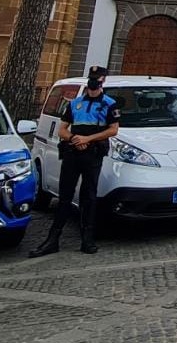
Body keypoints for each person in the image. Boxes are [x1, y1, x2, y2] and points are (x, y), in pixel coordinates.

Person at [29, 66, 119, 257]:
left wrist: (88, 139)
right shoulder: (75, 103)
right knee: (64, 196)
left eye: (98, 79)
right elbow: (62, 129)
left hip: (93, 154)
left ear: (103, 81)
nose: (94, 82)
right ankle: (52, 239)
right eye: (92, 78)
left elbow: (113, 130)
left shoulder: (109, 104)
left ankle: (87, 239)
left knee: (89, 196)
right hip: (72, 153)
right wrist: (73, 139)